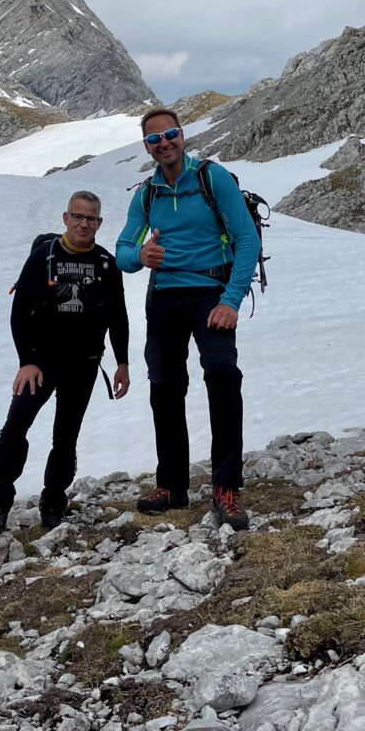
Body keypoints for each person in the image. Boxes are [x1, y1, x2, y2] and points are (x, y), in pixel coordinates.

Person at [116, 107, 260, 531]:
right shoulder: (147, 194)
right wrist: (141, 256)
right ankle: (173, 485)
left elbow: (246, 238)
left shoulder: (211, 178)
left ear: (183, 135)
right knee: (164, 385)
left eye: (170, 134)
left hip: (211, 293)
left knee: (222, 372)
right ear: (147, 146)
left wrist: (231, 301)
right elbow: (124, 250)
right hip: (163, 297)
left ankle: (226, 488)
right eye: (154, 139)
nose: (164, 143)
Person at [0, 190, 130, 534]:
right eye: (77, 216)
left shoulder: (107, 264)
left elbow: (118, 317)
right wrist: (27, 361)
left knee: (66, 436)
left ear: (100, 223)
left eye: (90, 218)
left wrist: (122, 363)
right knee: (17, 425)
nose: (83, 223)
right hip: (41, 363)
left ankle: (53, 504)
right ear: (65, 218)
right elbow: (20, 313)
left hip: (85, 363)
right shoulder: (43, 257)